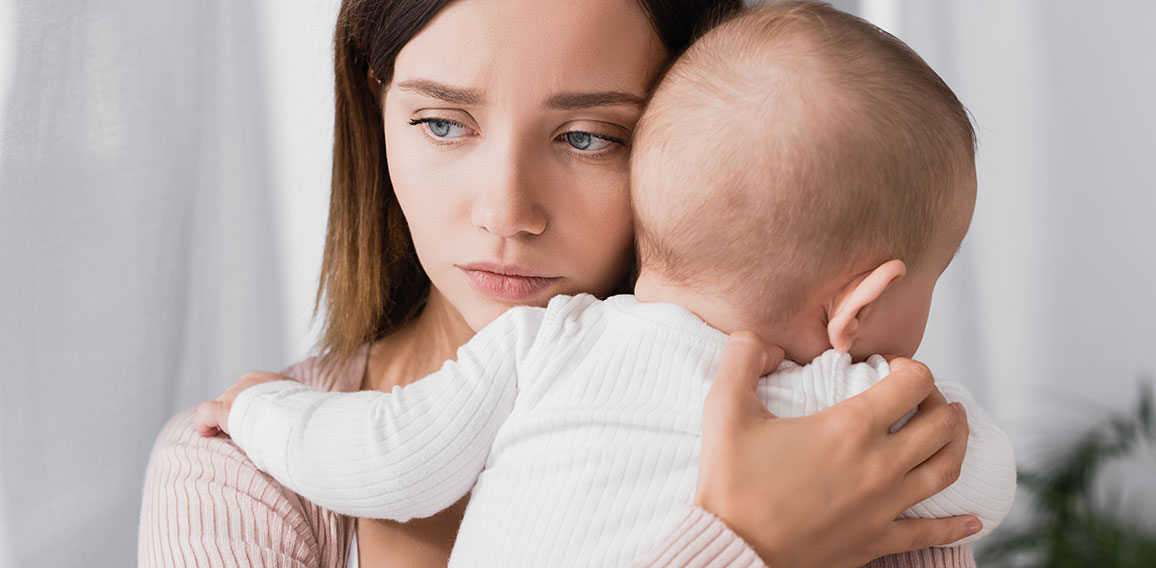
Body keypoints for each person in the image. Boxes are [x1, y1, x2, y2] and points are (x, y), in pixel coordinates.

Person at [139, 1, 979, 567]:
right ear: (377, 114)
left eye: (587, 138)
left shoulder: (857, 453)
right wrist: (741, 545)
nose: (507, 212)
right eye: (441, 122)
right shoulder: (238, 476)